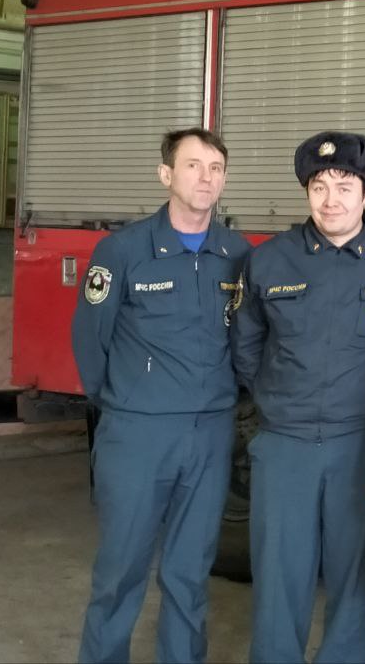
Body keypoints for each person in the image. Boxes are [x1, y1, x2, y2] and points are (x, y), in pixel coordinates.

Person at [230, 131, 365, 663]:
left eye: (345, 186)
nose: (331, 200)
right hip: (283, 445)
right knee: (277, 576)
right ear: (306, 191)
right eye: (319, 187)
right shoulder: (269, 260)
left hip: (359, 446)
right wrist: (278, 403)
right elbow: (246, 345)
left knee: (352, 575)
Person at [72, 127, 251, 664]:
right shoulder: (122, 251)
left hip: (211, 433)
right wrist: (129, 401)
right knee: (120, 571)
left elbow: (247, 337)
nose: (205, 178)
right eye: (193, 165)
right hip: (138, 433)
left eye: (216, 168)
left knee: (189, 572)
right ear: (166, 174)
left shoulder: (237, 253)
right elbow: (91, 341)